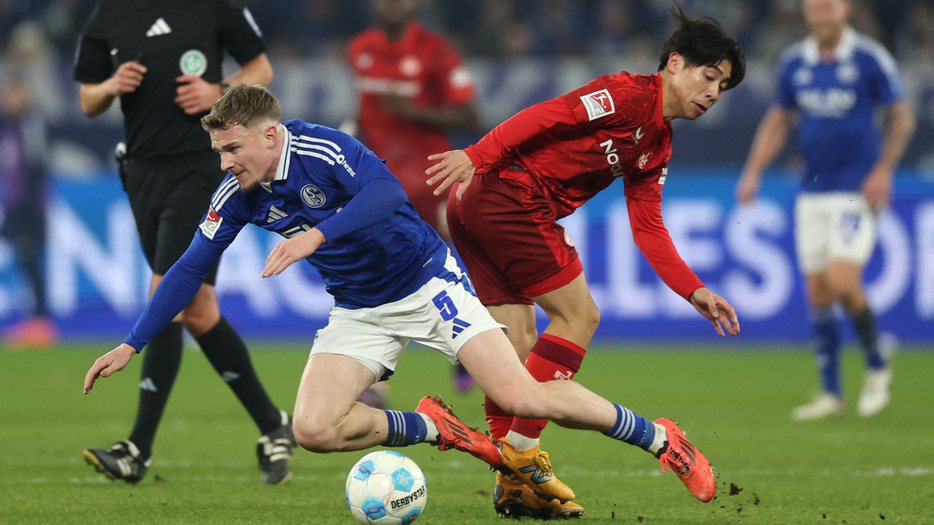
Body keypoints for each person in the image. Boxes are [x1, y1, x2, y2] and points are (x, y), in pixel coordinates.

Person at [84, 85, 721, 519]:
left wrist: (316, 234)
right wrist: (131, 342)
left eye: (231, 148)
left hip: (427, 284)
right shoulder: (238, 193)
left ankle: (664, 440)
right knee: (312, 430)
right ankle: (434, 427)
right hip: (359, 307)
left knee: (526, 397)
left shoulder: (322, 148)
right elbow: (188, 267)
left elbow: (387, 194)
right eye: (217, 152)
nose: (223, 163)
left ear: (269, 135)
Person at [426, 3, 744, 518]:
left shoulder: (658, 144)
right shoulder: (626, 94)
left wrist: (693, 289)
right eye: (709, 77)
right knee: (580, 316)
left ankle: (514, 485)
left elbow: (648, 227)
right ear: (675, 63)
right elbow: (547, 114)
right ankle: (525, 458)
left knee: (517, 347)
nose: (712, 93)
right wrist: (479, 154)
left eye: (722, 87)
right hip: (507, 194)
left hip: (473, 206)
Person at [73, 0, 295, 485]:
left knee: (167, 292)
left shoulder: (213, 7)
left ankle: (137, 449)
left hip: (201, 167)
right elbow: (88, 100)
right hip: (141, 171)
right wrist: (110, 86)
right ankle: (273, 424)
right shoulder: (107, 16)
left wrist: (220, 90)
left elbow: (262, 67)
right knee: (197, 310)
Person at [735, 0, 914, 420]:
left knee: (841, 279)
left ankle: (877, 363)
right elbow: (779, 119)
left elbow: (901, 116)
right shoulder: (795, 61)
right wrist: (753, 171)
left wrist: (884, 170)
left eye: (829, 5)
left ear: (845, 9)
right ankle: (832, 392)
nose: (822, 12)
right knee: (817, 290)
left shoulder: (870, 57)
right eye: (815, 6)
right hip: (812, 192)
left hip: (856, 191)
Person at [346, 0, 483, 396]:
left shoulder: (435, 51)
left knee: (454, 267)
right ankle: (374, 379)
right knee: (376, 270)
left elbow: (472, 116)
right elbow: (366, 109)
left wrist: (412, 111)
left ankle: (467, 354)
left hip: (432, 178)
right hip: (383, 182)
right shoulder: (360, 48)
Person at [0, 78, 59, 350]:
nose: (8, 101)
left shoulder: (32, 125)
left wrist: (26, 206)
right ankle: (35, 320)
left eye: (13, 95)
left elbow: (36, 166)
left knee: (32, 262)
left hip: (28, 209)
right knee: (26, 264)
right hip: (15, 207)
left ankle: (40, 323)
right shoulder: (10, 127)